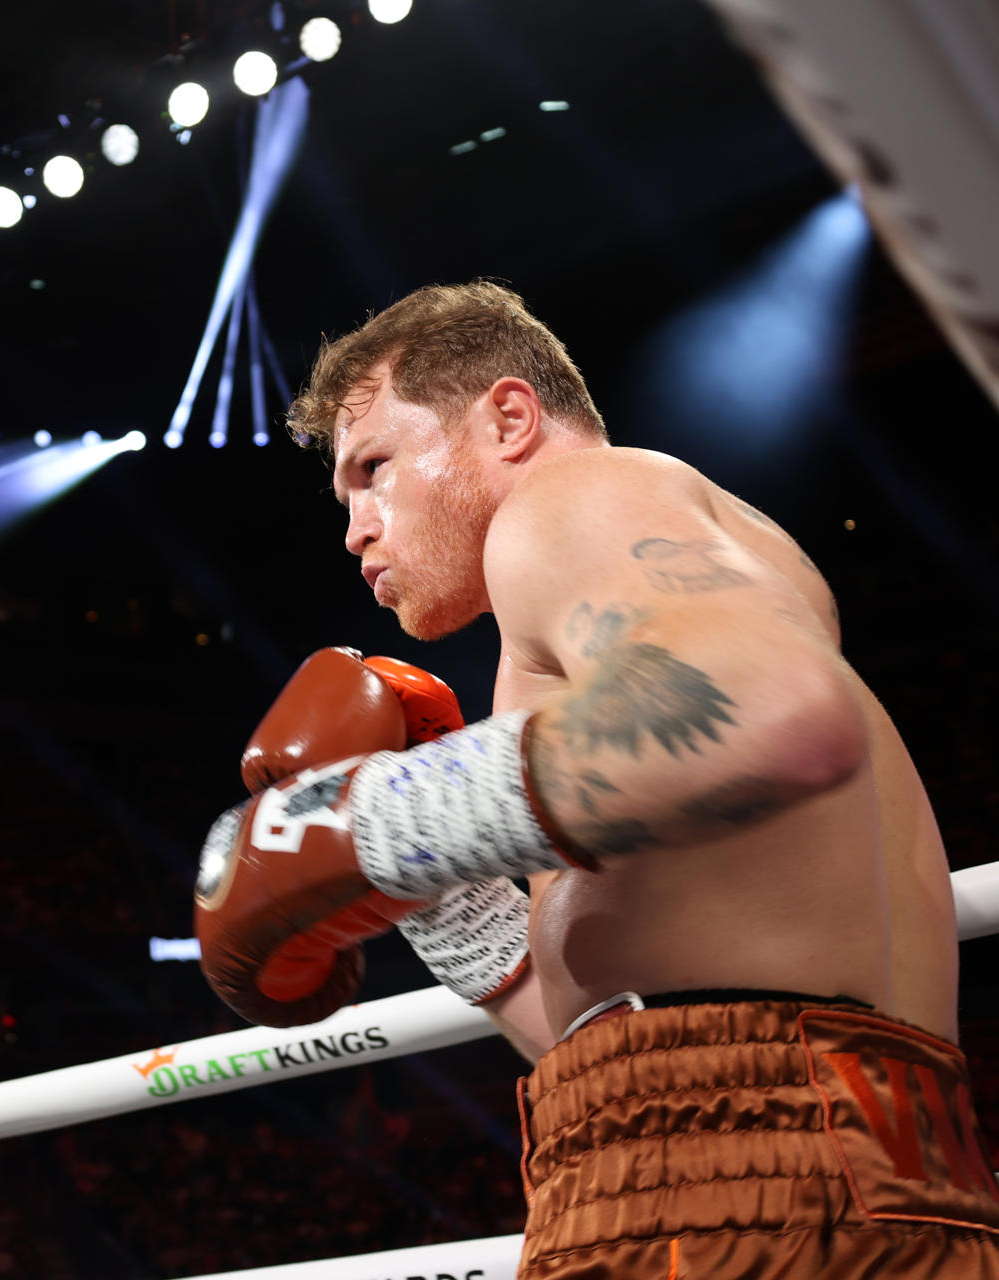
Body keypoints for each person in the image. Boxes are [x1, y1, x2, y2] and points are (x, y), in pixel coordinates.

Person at [193, 282, 999, 1277]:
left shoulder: (579, 499)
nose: (356, 526)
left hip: (744, 1184)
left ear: (510, 417)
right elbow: (621, 1030)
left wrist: (372, 822)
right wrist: (440, 896)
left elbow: (774, 708)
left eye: (375, 468)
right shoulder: (601, 633)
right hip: (830, 1162)